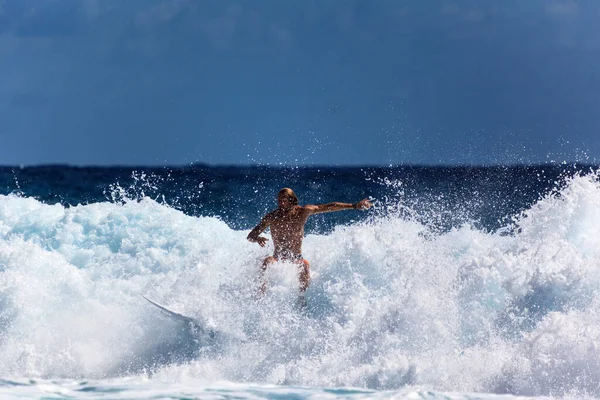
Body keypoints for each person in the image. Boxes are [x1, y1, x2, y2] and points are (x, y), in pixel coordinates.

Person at [247, 188, 372, 299]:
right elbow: (251, 236)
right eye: (279, 200)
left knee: (305, 265)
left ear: (291, 200)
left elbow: (329, 206)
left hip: (296, 258)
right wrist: (257, 239)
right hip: (278, 257)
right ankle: (261, 294)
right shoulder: (272, 217)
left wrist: (354, 205)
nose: (281, 203)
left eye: (284, 200)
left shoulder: (303, 212)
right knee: (267, 262)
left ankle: (302, 298)